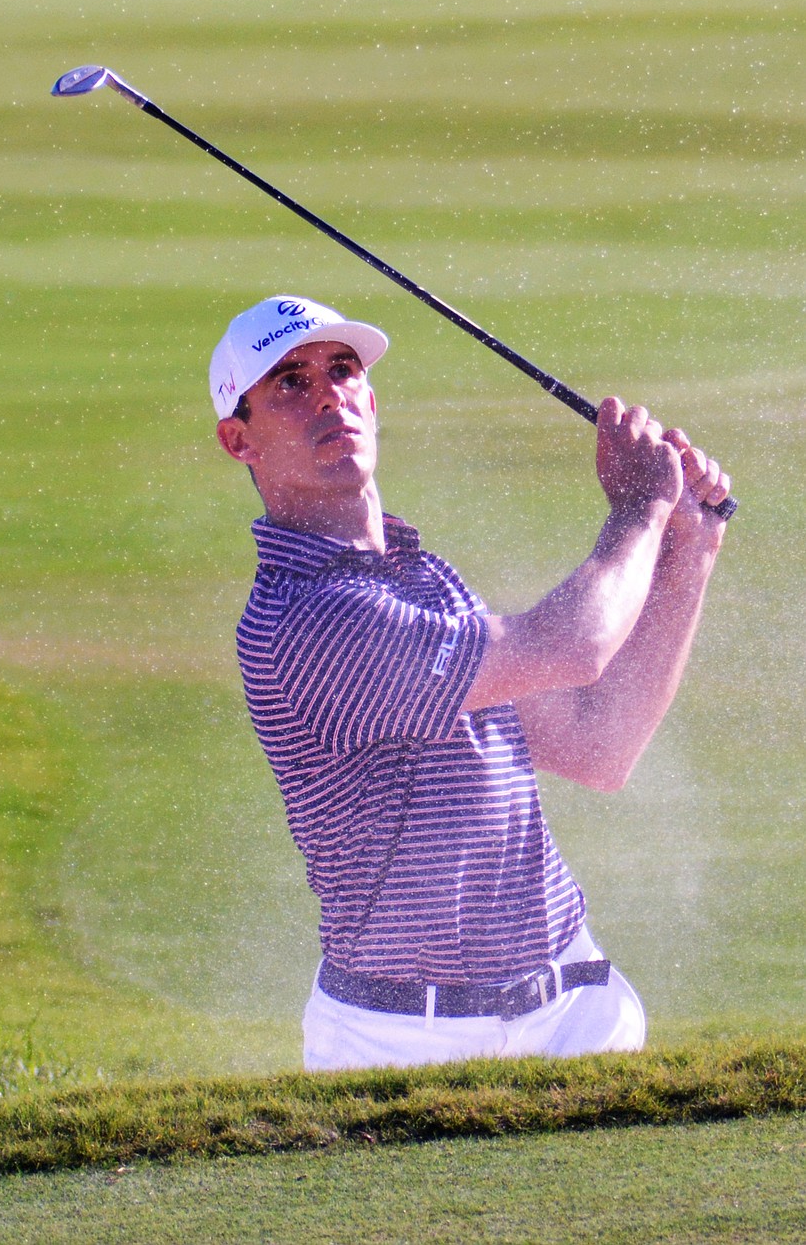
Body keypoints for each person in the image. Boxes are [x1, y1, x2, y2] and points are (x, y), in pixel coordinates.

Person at [209, 294, 730, 1071]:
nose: (327, 395)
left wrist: (693, 542)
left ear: (372, 401)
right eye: (289, 381)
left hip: (574, 1008)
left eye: (343, 370)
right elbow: (576, 646)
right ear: (238, 439)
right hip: (398, 1042)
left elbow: (599, 744)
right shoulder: (304, 618)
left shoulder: (424, 578)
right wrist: (640, 510)